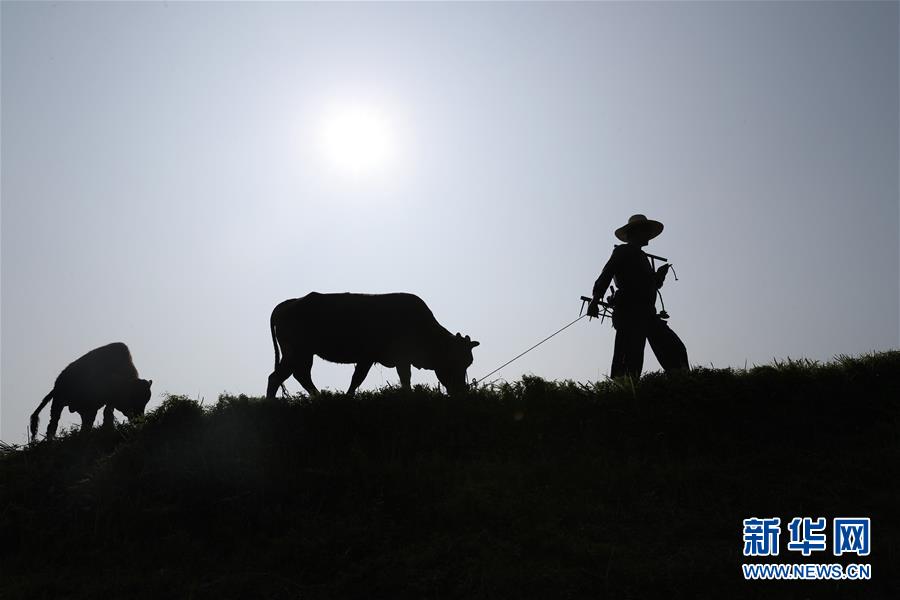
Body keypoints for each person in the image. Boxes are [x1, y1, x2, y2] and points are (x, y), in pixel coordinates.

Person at [588, 214, 671, 379]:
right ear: (634, 232)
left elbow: (648, 284)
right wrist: (595, 300)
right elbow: (607, 273)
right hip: (629, 312)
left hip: (647, 312)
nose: (648, 234)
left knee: (673, 348)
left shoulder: (642, 257)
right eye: (645, 230)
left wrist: (659, 277)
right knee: (630, 356)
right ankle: (623, 389)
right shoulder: (622, 251)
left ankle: (681, 380)